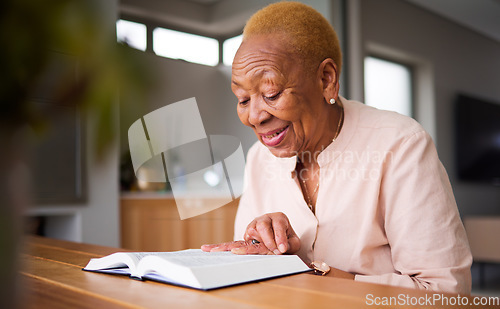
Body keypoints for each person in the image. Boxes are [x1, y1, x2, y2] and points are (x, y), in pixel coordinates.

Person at [201, 1, 471, 294]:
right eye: (242, 99)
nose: (254, 116)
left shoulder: (401, 145)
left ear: (326, 80)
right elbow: (253, 278)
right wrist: (262, 250)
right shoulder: (258, 160)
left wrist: (310, 273)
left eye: (272, 93)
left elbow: (446, 293)